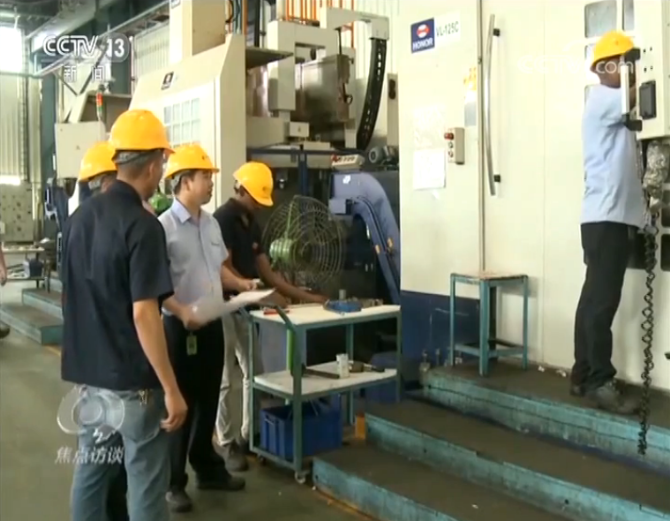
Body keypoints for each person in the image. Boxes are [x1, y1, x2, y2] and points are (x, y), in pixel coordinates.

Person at [61, 108, 188, 521]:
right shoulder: (143, 226)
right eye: (162, 163)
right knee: (146, 483)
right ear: (152, 166)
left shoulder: (77, 222)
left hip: (90, 378)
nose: (162, 171)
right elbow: (144, 314)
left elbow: (71, 298)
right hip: (135, 385)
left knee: (91, 475)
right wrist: (170, 387)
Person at [213, 161, 328, 471]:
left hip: (246, 309)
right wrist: (260, 294)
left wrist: (307, 297)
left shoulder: (252, 223)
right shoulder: (222, 220)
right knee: (225, 379)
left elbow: (268, 273)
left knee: (255, 372)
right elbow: (225, 271)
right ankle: (226, 442)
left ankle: (250, 435)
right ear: (243, 190)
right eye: (256, 199)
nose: (259, 206)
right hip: (224, 307)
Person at [158, 144, 252, 513]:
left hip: (212, 324)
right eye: (205, 176)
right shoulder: (163, 228)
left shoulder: (211, 224)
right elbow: (154, 286)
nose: (212, 182)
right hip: (179, 329)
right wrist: (181, 312)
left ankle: (206, 467)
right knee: (181, 406)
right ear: (184, 181)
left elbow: (217, 269)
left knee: (209, 399)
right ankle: (173, 481)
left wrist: (241, 284)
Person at [572, 31, 643, 415]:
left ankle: (583, 374)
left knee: (591, 299)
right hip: (607, 218)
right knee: (602, 303)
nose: (634, 71)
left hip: (604, 218)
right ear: (606, 68)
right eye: (627, 64)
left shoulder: (614, 107)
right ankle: (600, 380)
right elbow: (644, 97)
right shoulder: (604, 99)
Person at [75, 140, 130, 521]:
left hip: (91, 357)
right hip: (109, 362)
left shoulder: (79, 224)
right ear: (105, 180)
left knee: (108, 458)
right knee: (96, 463)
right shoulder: (113, 225)